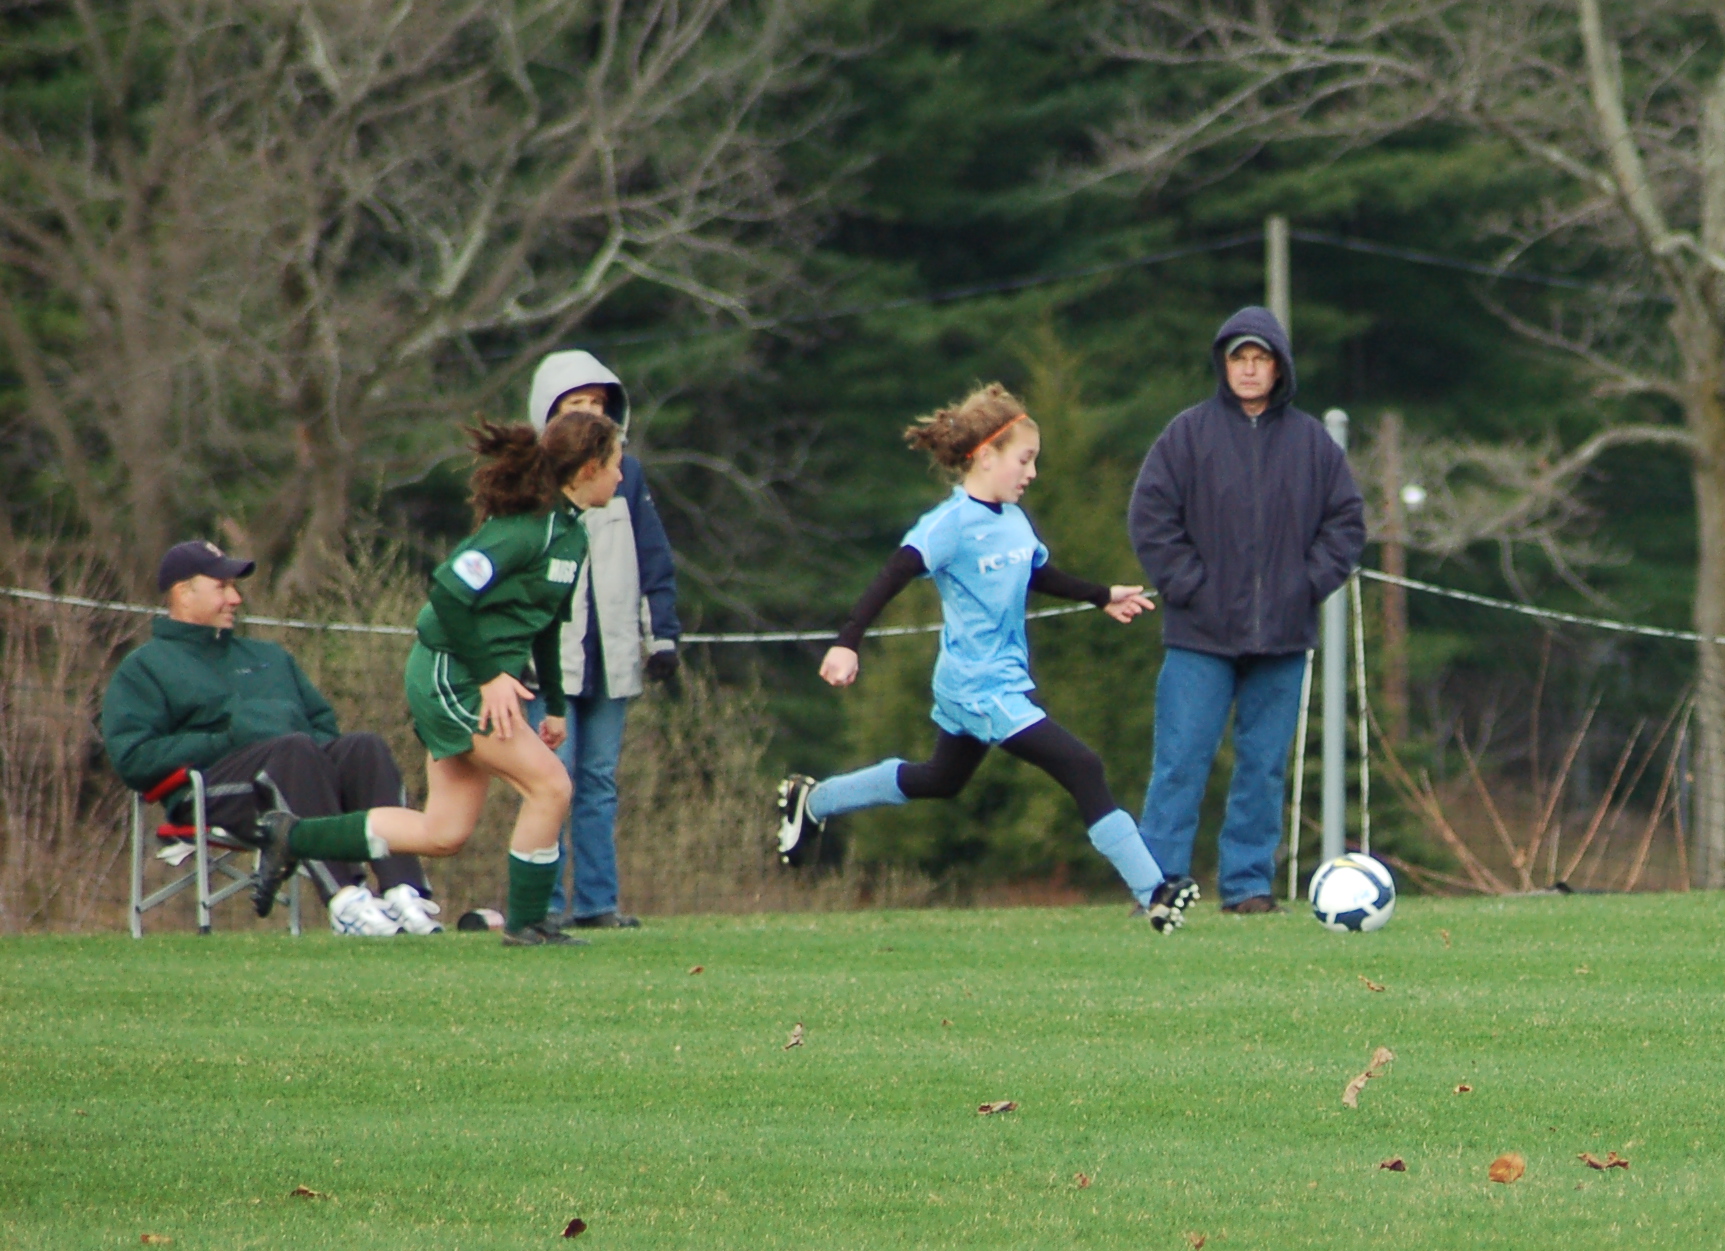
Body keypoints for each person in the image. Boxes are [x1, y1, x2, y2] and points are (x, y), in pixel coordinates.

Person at [773, 383, 1188, 929]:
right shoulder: (948, 525)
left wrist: (1100, 595)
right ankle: (1154, 890)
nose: (1032, 472)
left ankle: (815, 801)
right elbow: (891, 576)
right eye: (1025, 459)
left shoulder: (1013, 519)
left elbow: (1035, 572)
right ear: (987, 455)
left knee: (941, 779)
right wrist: (847, 642)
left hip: (991, 682)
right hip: (978, 687)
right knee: (1082, 765)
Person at [251, 410, 613, 944]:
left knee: (443, 833)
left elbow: (546, 626)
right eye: (615, 463)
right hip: (451, 675)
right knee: (551, 786)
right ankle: (528, 924)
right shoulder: (524, 530)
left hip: (476, 682)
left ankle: (292, 837)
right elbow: (448, 592)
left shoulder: (570, 537)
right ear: (588, 469)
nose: (621, 475)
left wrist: (555, 704)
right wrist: (490, 677)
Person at [1128, 307, 1365, 913]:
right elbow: (1151, 517)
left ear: (1280, 367)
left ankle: (1248, 886)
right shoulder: (1187, 435)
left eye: (1261, 359)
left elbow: (1346, 523)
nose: (1251, 369)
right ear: (1223, 364)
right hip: (1198, 637)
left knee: (1263, 768)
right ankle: (1158, 887)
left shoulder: (1312, 443)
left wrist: (1304, 586)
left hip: (1282, 638)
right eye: (1240, 358)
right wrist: (1191, 586)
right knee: (1180, 762)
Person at [102, 540, 441, 936]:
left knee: (364, 747)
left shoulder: (270, 657)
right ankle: (345, 900)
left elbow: (323, 726)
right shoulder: (145, 667)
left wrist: (305, 752)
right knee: (293, 750)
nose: (235, 598)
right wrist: (225, 740)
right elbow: (133, 758)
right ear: (183, 593)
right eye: (222, 587)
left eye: (235, 587)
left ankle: (404, 892)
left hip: (300, 777)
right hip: (212, 793)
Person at [526, 350, 683, 927]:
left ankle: (597, 903)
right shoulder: (529, 479)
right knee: (552, 782)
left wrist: (661, 638)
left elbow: (653, 558)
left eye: (598, 404)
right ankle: (540, 905)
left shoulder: (627, 475)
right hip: (547, 663)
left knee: (598, 783)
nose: (590, 413)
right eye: (576, 403)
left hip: (612, 654)